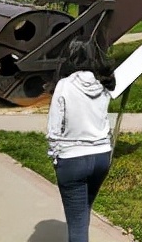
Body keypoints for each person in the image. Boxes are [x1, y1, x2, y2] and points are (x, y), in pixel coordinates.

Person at [46, 38, 117, 242]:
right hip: (101, 157)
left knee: (77, 223)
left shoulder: (64, 85)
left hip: (72, 159)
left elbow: (54, 127)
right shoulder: (104, 84)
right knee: (83, 212)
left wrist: (55, 156)